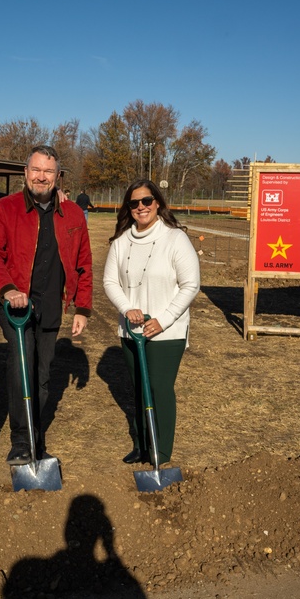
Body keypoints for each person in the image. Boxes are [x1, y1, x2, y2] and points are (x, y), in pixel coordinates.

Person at [0, 145, 93, 465]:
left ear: (58, 177)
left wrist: (83, 307)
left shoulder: (71, 214)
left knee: (42, 375)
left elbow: (84, 262)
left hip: (52, 305)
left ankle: (34, 432)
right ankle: (20, 441)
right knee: (22, 368)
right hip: (15, 305)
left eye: (48, 172)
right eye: (36, 170)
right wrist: (8, 288)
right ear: (25, 173)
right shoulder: (5, 208)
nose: (41, 177)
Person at [102, 179, 200, 465]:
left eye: (147, 201)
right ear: (128, 208)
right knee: (139, 389)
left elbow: (190, 284)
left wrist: (164, 320)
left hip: (167, 332)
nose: (141, 207)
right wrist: (127, 307)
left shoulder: (175, 239)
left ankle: (161, 449)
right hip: (131, 331)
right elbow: (110, 281)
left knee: (158, 387)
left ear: (158, 203)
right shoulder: (121, 242)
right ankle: (141, 444)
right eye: (134, 203)